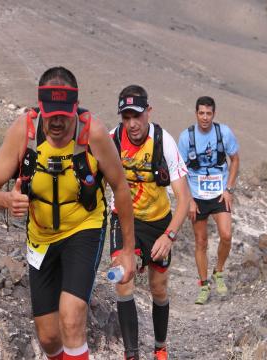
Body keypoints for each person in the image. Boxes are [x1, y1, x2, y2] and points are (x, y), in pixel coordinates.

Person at [0, 67, 136, 360]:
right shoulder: (23, 132)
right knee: (49, 337)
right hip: (41, 238)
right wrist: (5, 199)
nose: (57, 122)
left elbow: (121, 189)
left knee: (72, 316)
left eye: (64, 114)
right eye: (50, 114)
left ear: (75, 108)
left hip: (84, 227)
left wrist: (127, 250)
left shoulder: (95, 135)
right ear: (40, 108)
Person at [109, 85, 191, 360]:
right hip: (123, 220)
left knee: (158, 288)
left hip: (158, 223)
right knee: (123, 278)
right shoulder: (112, 140)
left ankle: (160, 346)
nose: (132, 124)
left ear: (149, 113)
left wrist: (169, 236)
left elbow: (184, 198)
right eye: (126, 117)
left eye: (137, 116)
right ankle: (131, 354)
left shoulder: (163, 141)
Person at [177, 96, 240, 305]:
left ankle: (218, 271)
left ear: (214, 114)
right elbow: (180, 170)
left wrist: (229, 189)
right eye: (201, 113)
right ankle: (203, 285)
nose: (205, 117)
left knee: (226, 235)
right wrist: (189, 201)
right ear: (196, 113)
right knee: (201, 241)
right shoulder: (186, 137)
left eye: (209, 113)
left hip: (219, 192)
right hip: (196, 195)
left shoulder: (224, 132)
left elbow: (235, 159)